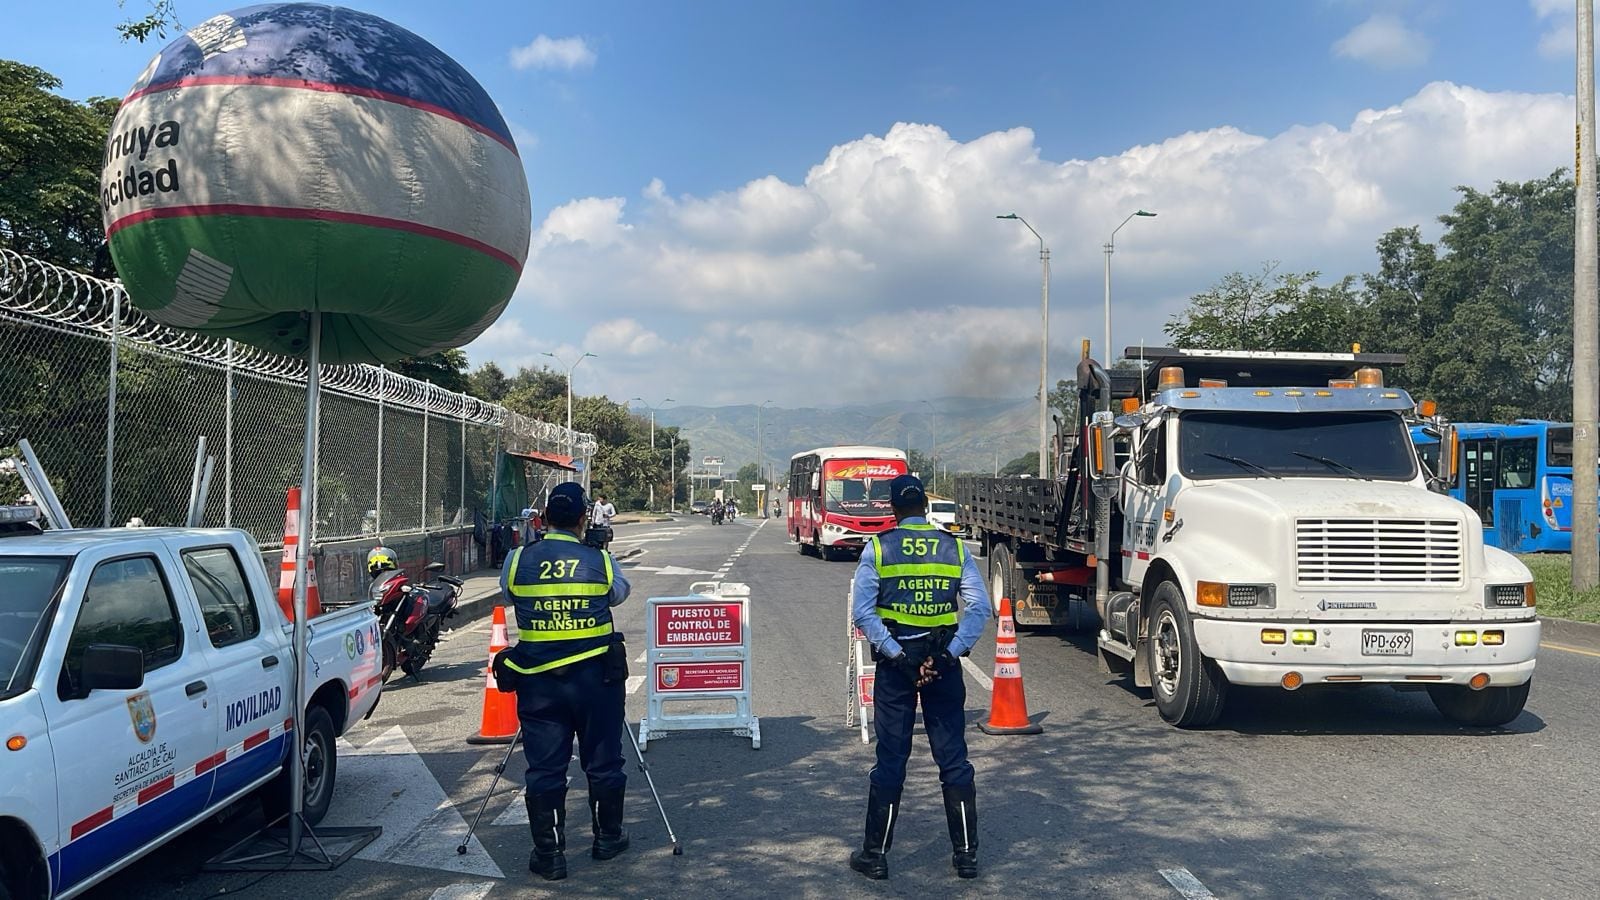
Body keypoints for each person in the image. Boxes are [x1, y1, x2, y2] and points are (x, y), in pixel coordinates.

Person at [848, 474, 991, 881]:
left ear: (893, 509)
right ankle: (966, 857)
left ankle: (875, 856)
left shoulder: (879, 547)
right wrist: (946, 656)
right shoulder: (954, 547)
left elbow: (863, 612)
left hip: (897, 669)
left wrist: (900, 657)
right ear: (926, 507)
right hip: (943, 666)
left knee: (892, 758)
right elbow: (979, 609)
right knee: (953, 759)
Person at [496, 482, 632, 881]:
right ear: (583, 518)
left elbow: (508, 594)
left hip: (539, 683)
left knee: (544, 768)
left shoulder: (517, 560)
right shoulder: (600, 560)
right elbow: (618, 594)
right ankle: (607, 839)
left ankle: (550, 855)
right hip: (596, 680)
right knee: (604, 761)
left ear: (543, 519)